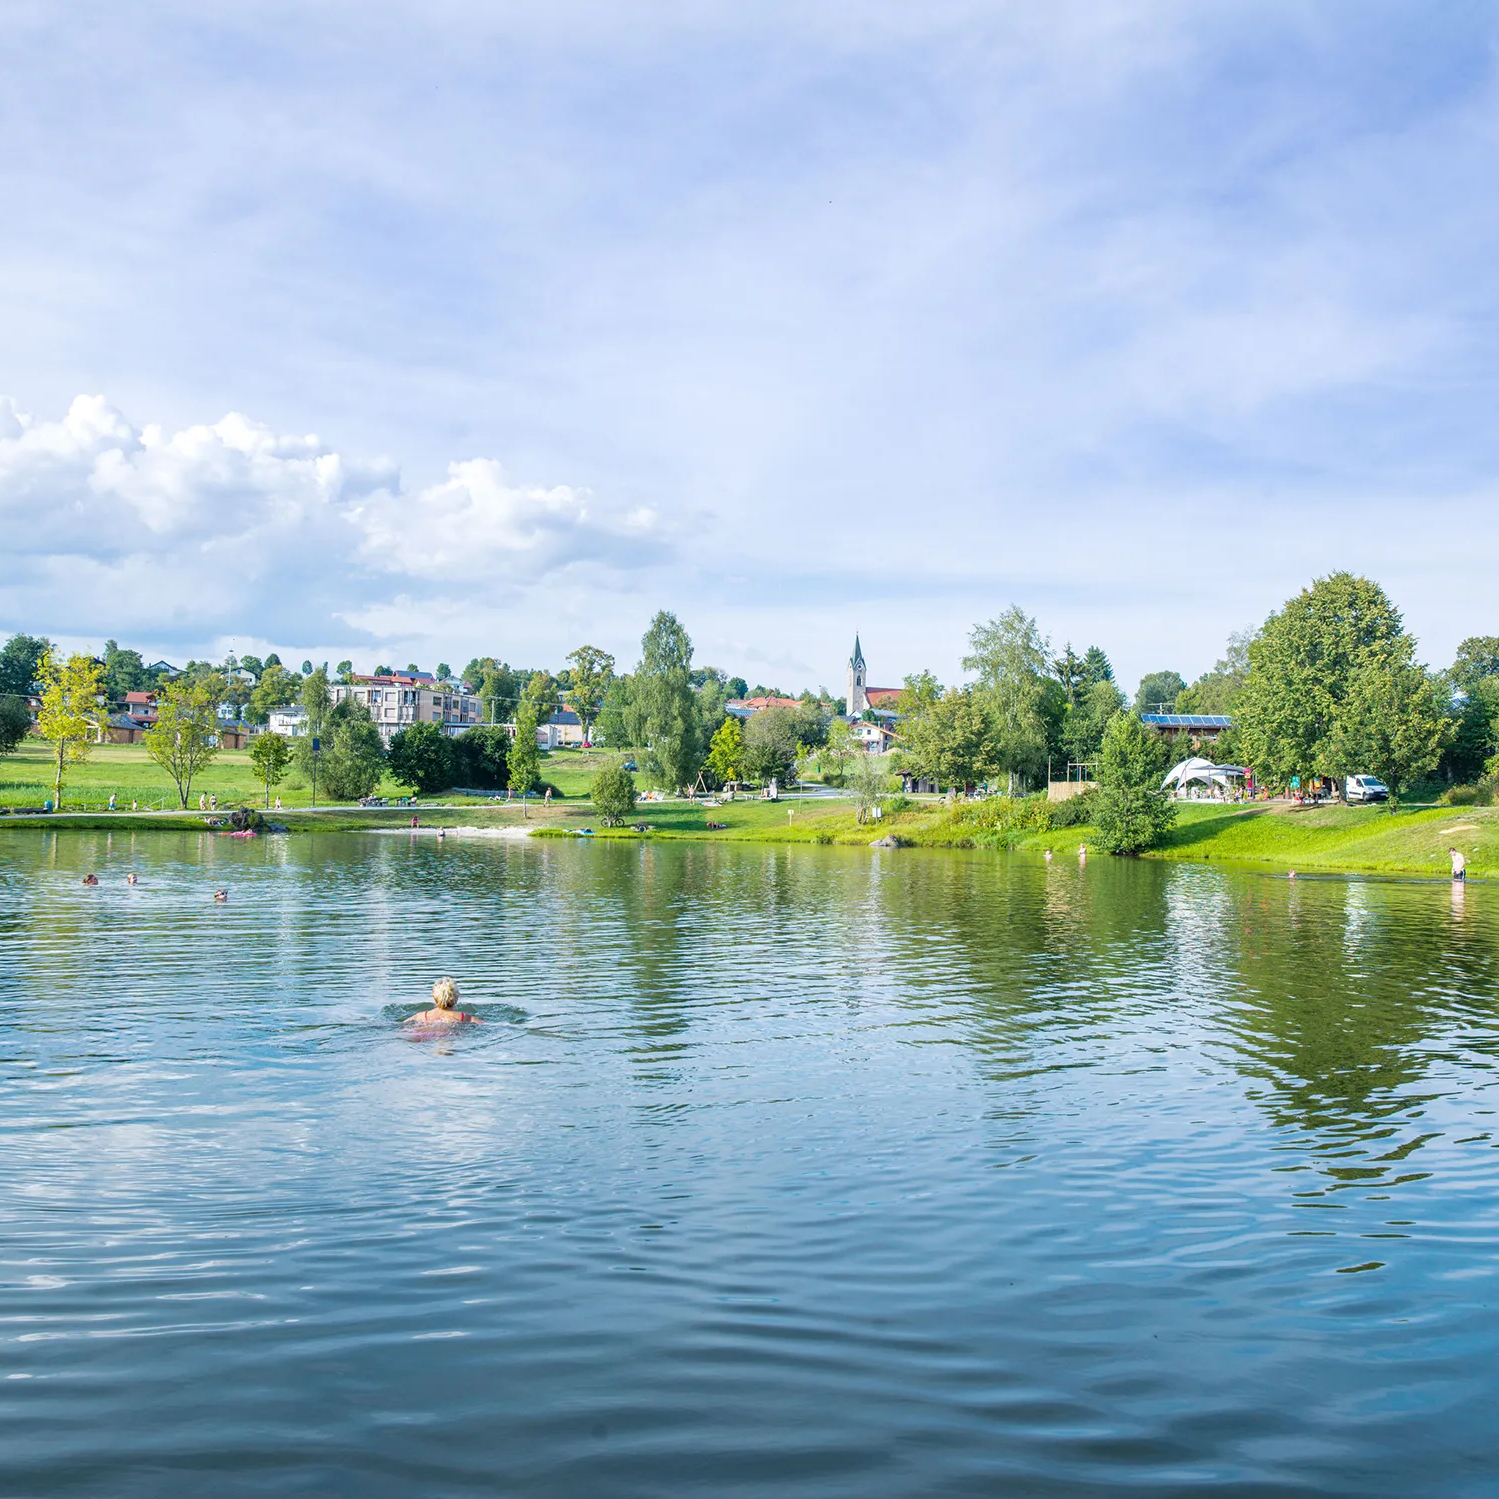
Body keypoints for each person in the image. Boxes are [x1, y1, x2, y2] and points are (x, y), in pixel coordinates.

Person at [404, 977, 480, 1026]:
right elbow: (487, 1025)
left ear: (434, 996)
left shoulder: (421, 1016)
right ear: (457, 997)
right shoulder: (465, 1018)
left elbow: (399, 1025)